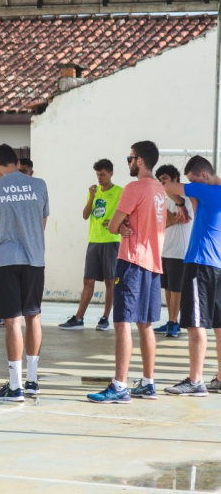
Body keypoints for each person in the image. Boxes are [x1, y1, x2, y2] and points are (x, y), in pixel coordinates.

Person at [87, 141, 165, 404]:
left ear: (140, 160)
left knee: (122, 323)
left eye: (130, 158)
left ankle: (120, 386)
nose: (128, 163)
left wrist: (117, 227)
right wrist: (121, 227)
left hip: (131, 261)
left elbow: (114, 225)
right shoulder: (159, 190)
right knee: (146, 324)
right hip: (153, 264)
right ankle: (148, 383)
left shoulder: (135, 187)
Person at [0, 143, 49, 402]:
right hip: (35, 259)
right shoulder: (39, 185)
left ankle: (15, 385)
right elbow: (42, 223)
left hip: (6, 260)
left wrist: (0, 222)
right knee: (34, 317)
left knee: (12, 321)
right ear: (17, 162)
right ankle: (32, 381)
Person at [163, 155, 221, 396]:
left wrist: (180, 203)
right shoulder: (211, 195)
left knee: (195, 324)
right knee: (219, 326)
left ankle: (195, 381)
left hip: (200, 263)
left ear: (204, 176)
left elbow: (168, 186)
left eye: (193, 181)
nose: (191, 186)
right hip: (217, 265)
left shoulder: (207, 190)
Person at [59, 159, 122, 331]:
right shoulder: (93, 192)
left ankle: (105, 318)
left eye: (102, 174)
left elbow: (127, 214)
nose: (99, 178)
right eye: (97, 175)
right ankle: (79, 318)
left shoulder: (120, 192)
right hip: (94, 241)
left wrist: (115, 222)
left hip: (111, 241)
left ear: (111, 173)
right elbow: (85, 215)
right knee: (88, 280)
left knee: (110, 281)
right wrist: (92, 197)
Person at [154, 164, 193, 338]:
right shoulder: (163, 198)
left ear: (175, 179)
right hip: (165, 249)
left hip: (179, 250)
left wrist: (168, 216)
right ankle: (172, 321)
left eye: (165, 179)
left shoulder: (185, 197)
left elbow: (177, 219)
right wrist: (168, 216)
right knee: (168, 288)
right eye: (160, 180)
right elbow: (163, 221)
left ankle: (173, 322)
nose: (162, 183)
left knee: (176, 289)